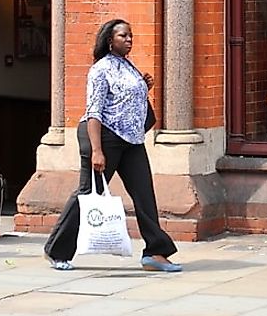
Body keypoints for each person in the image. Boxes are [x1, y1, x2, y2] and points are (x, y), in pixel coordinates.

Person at [43, 19, 180, 272]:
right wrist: (97, 151)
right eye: (123, 36)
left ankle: (155, 253)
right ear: (110, 40)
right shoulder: (100, 69)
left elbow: (125, 97)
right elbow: (93, 112)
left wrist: (143, 87)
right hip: (103, 138)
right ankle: (57, 251)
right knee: (87, 193)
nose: (129, 39)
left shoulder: (127, 65)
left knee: (144, 195)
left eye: (130, 35)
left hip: (132, 140)